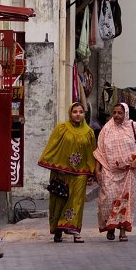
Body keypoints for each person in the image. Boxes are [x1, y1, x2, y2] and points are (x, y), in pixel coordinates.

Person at [36, 102, 98, 243]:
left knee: (77, 201)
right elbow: (52, 146)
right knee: (60, 201)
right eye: (75, 111)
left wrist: (92, 171)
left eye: (81, 112)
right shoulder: (62, 129)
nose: (78, 114)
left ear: (84, 114)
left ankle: (75, 231)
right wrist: (54, 164)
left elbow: (91, 152)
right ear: (70, 113)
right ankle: (58, 229)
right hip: (61, 172)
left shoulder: (89, 132)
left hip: (80, 173)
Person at [94, 102, 136, 241]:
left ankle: (122, 231)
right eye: (115, 113)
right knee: (107, 201)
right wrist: (97, 170)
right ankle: (110, 227)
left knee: (126, 202)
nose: (117, 115)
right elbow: (100, 151)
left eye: (120, 113)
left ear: (126, 114)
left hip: (129, 172)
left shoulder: (134, 127)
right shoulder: (106, 129)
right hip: (110, 171)